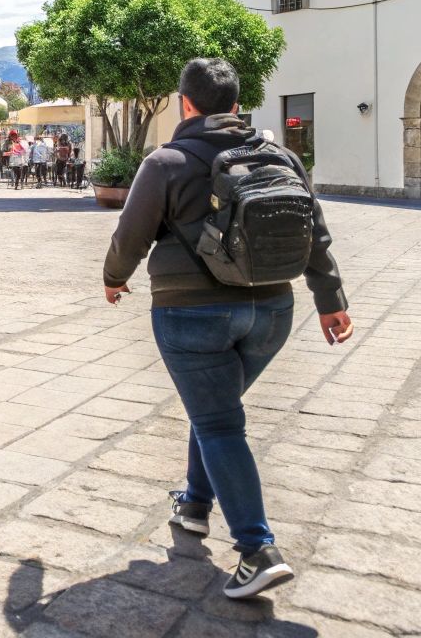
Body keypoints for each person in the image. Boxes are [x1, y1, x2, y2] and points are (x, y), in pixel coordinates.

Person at [102, 57, 352, 600]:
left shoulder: (166, 161)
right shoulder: (281, 156)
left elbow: (131, 234)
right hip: (272, 313)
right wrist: (331, 301)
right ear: (237, 104)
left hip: (191, 312)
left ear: (185, 104)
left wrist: (113, 278)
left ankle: (258, 550)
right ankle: (194, 504)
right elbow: (315, 232)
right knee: (214, 409)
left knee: (217, 421)